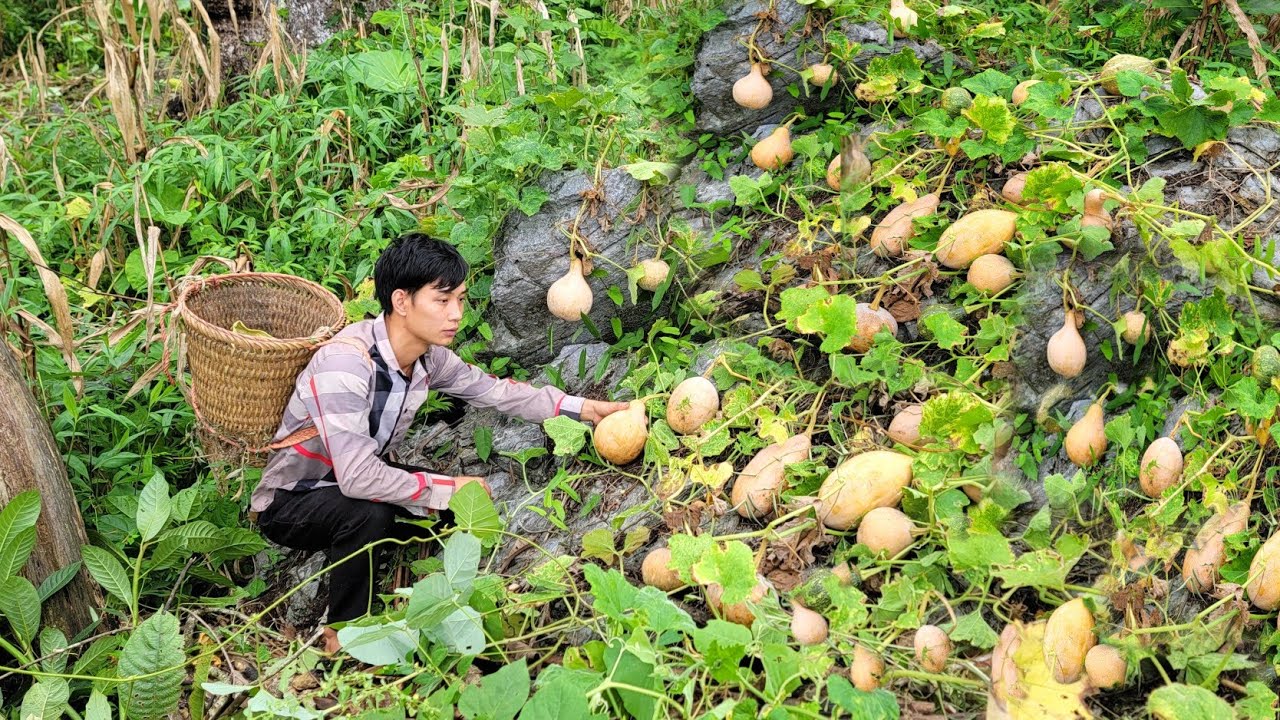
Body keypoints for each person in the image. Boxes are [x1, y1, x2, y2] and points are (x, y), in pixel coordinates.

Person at [249, 233, 628, 654]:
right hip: (292, 500)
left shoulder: (428, 357)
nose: (456, 314)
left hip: (352, 480)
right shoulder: (345, 365)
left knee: (456, 509)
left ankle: (432, 609)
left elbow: (496, 392)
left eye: (460, 300)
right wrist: (448, 487)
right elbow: (357, 479)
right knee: (371, 514)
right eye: (442, 300)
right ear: (401, 300)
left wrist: (583, 409)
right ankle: (344, 635)